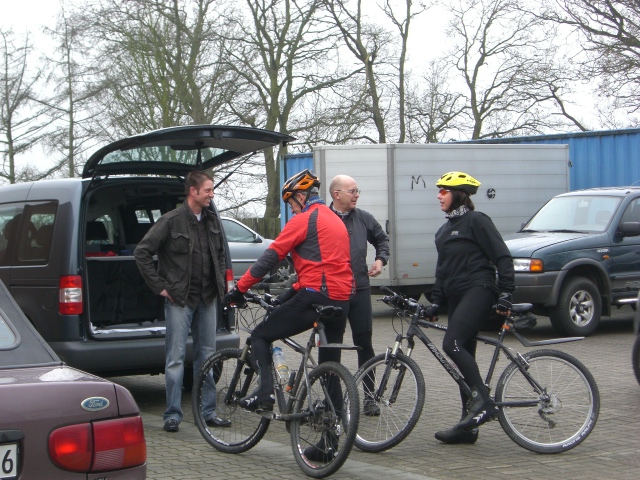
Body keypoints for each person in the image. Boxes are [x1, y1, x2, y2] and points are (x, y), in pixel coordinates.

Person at [224, 169, 353, 460]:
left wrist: (240, 288)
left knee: (260, 335)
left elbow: (271, 256)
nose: (291, 209)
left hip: (316, 296)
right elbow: (325, 264)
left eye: (291, 203)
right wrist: (291, 291)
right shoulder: (336, 220)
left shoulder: (305, 219)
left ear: (300, 197)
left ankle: (265, 394)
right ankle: (330, 443)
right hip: (341, 299)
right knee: (330, 368)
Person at [134, 171, 230, 433]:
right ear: (193, 191)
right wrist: (160, 287)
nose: (212, 195)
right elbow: (142, 252)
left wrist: (221, 285)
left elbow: (221, 254)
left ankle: (207, 412)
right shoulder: (170, 221)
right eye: (208, 190)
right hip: (180, 300)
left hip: (208, 298)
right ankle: (172, 414)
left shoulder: (212, 220)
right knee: (175, 359)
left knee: (207, 357)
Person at [426, 171, 515, 444]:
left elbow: (502, 256)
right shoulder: (443, 231)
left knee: (451, 344)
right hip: (456, 296)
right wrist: (436, 302)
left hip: (479, 289)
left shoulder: (477, 221)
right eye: (439, 191)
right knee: (464, 360)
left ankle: (484, 403)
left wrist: (506, 292)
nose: (438, 195)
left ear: (459, 194)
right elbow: (442, 271)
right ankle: (469, 427)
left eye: (444, 191)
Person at [328, 174, 389, 416]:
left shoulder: (364, 218)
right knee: (331, 346)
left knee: (365, 344)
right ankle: (332, 402)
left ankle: (370, 397)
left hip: (360, 289)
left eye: (357, 191)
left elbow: (382, 240)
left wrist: (380, 259)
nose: (356, 195)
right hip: (333, 292)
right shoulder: (322, 219)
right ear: (337, 194)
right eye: (352, 191)